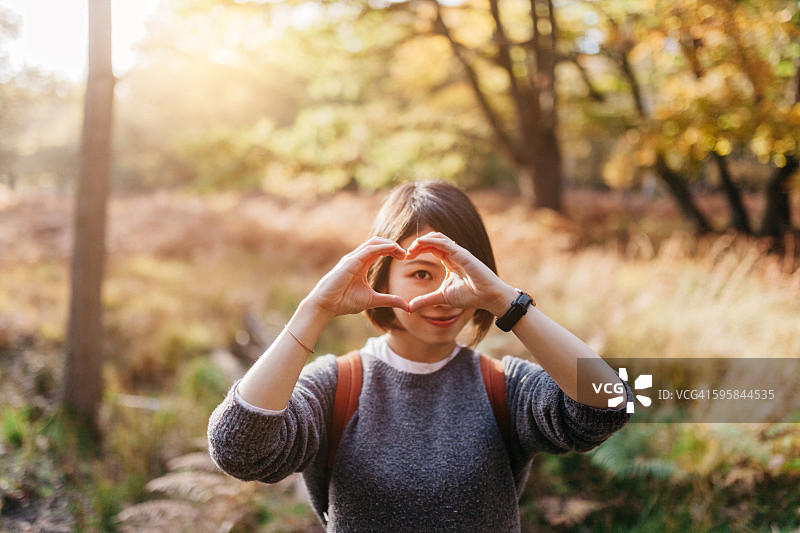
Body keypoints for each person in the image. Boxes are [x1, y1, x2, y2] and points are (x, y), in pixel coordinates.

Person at [208, 180, 631, 532]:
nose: (443, 294)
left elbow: (610, 403)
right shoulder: (337, 387)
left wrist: (507, 302)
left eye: (461, 272)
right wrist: (315, 310)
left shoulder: (505, 386)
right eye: (421, 273)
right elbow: (238, 449)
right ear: (382, 272)